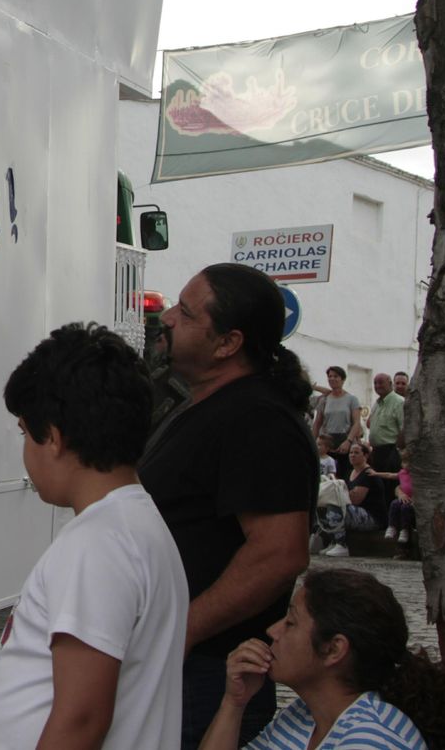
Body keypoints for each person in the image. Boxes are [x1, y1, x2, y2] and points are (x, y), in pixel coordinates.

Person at [0, 322, 187, 750]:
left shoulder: (99, 543)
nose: (25, 451)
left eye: (25, 433)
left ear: (53, 437)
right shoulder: (135, 525)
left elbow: (82, 718)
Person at [141, 263, 318, 750]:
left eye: (186, 312)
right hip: (183, 668)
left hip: (207, 676)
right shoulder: (204, 404)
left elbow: (279, 553)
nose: (167, 318)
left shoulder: (257, 419)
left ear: (228, 343)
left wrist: (184, 631)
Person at [197, 568, 445, 749]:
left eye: (291, 623)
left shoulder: (371, 741)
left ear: (334, 649)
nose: (273, 631)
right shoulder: (303, 717)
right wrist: (234, 703)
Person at [312, 367, 362, 478]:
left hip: (345, 440)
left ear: (342, 379)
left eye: (335, 376)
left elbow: (356, 423)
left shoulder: (351, 399)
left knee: (345, 475)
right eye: (330, 376)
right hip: (328, 442)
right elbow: (317, 423)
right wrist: (312, 442)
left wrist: (348, 441)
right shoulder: (324, 399)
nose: (332, 379)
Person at [372, 448, 416, 546]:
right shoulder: (402, 473)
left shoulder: (416, 475)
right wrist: (376, 474)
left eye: (409, 462)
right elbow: (389, 475)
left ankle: (404, 530)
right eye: (404, 462)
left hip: (412, 500)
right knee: (394, 504)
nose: (407, 465)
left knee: (405, 509)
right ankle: (392, 526)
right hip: (403, 498)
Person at [367, 373, 405, 474]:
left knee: (389, 482)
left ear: (390, 383)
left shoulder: (399, 402)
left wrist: (397, 450)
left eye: (380, 383)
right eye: (375, 383)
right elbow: (369, 424)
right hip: (376, 452)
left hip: (391, 451)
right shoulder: (377, 403)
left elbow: (404, 428)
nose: (377, 386)